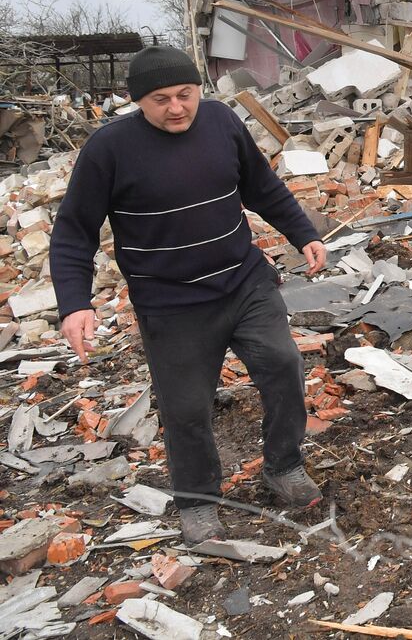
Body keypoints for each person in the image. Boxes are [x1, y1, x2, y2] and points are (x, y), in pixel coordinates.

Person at [50, 45, 329, 544]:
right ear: (138, 101)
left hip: (244, 283)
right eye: (161, 99)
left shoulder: (222, 123)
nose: (177, 107)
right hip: (171, 304)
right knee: (186, 408)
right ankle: (199, 501)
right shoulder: (109, 150)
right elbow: (74, 231)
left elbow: (262, 187)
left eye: (185, 94)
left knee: (283, 364)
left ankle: (283, 466)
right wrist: (74, 303)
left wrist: (302, 232)